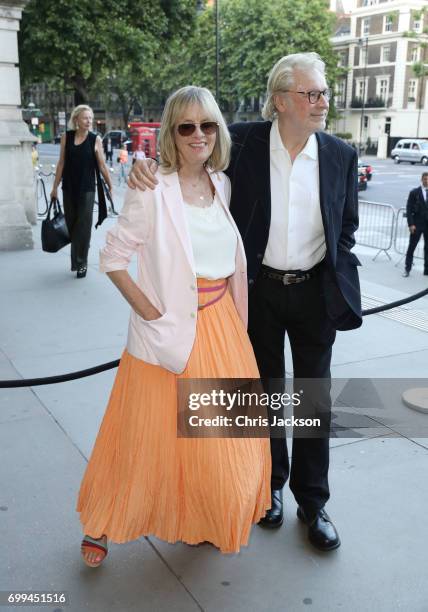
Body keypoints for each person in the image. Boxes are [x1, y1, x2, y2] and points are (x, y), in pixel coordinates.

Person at [129, 53, 363, 552]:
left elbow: (347, 227)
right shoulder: (244, 143)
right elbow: (190, 152)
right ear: (281, 100)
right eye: (312, 93)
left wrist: (337, 274)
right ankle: (269, 488)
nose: (322, 102)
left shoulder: (341, 155)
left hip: (314, 293)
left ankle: (314, 502)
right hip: (256, 294)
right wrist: (143, 167)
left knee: (312, 398)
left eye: (323, 93)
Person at [77, 86, 271, 567]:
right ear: (172, 134)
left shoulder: (221, 183)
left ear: (218, 130)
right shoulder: (152, 187)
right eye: (186, 126)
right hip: (168, 331)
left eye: (207, 124)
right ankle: (102, 520)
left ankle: (202, 517)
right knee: (141, 440)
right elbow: (114, 259)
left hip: (223, 327)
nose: (198, 134)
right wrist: (151, 314)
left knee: (219, 446)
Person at [50, 105, 113, 278]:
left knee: (83, 227)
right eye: (85, 118)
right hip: (69, 187)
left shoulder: (95, 139)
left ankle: (81, 262)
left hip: (87, 189)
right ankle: (81, 252)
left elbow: (101, 165)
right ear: (76, 119)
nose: (89, 121)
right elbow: (61, 162)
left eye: (91, 118)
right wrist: (54, 187)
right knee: (72, 226)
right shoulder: (66, 137)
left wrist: (110, 185)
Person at [403, 172, 428, 277]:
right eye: (425, 179)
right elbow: (409, 209)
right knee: (411, 247)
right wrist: (411, 224)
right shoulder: (414, 192)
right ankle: (407, 269)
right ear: (421, 179)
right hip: (416, 225)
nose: (426, 181)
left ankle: (427, 270)